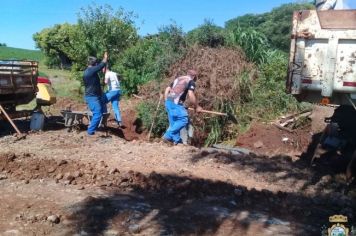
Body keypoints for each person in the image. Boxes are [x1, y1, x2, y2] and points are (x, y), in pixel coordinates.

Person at [163, 69, 202, 145]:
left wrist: (166, 100)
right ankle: (167, 136)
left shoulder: (178, 78)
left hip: (169, 101)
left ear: (187, 74)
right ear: (194, 77)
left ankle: (177, 141)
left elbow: (167, 89)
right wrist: (197, 107)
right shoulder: (191, 81)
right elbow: (190, 94)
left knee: (174, 123)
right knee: (183, 119)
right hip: (176, 103)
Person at [83, 52, 108, 135]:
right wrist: (105, 57)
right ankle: (90, 131)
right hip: (92, 97)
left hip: (96, 96)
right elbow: (102, 65)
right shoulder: (90, 70)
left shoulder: (89, 71)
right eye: (96, 64)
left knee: (102, 110)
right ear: (95, 64)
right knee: (98, 113)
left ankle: (101, 126)